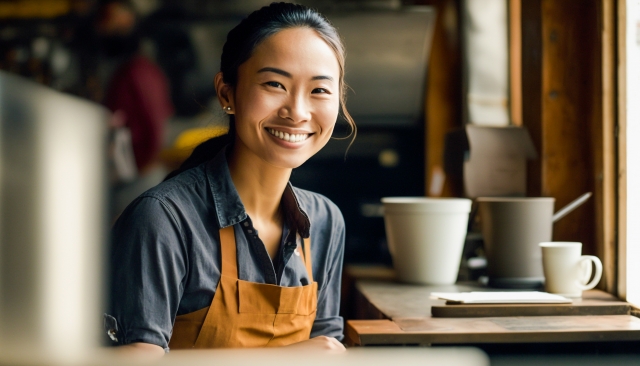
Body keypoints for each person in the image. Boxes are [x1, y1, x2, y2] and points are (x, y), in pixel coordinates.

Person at [104, 2, 356, 356]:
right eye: (275, 84)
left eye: (319, 90)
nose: (297, 111)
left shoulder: (325, 221)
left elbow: (326, 349)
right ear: (227, 93)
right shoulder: (163, 220)